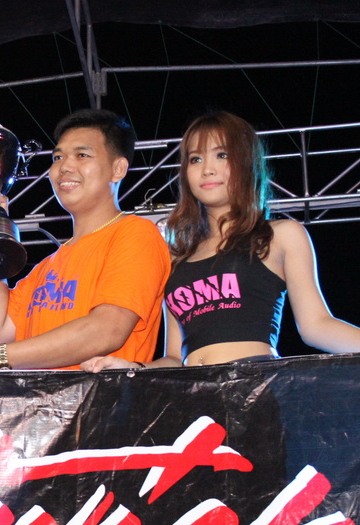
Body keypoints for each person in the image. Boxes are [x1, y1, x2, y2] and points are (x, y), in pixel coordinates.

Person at [82, 111, 360, 372]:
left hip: (255, 386)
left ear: (246, 163)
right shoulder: (176, 254)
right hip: (194, 394)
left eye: (221, 155)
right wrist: (134, 369)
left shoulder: (280, 235)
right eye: (195, 159)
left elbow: (316, 326)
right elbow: (175, 357)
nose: (207, 170)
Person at [0, 109, 170, 371]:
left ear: (117, 169)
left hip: (102, 396)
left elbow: (107, 330)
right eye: (58, 157)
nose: (65, 167)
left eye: (82, 155)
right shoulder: (46, 268)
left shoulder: (136, 233)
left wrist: (0, 356)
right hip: (38, 398)